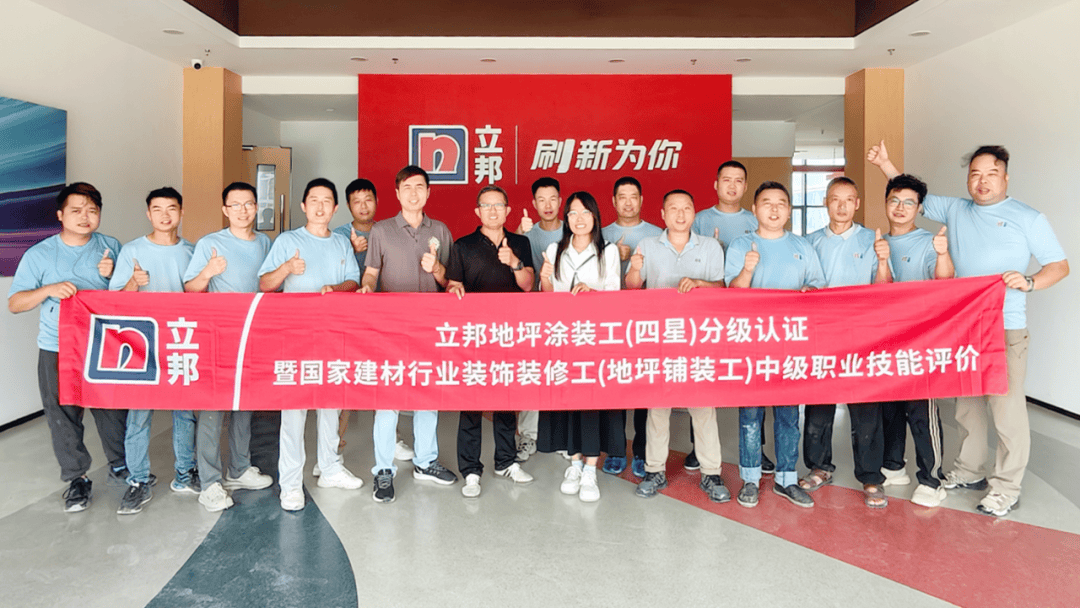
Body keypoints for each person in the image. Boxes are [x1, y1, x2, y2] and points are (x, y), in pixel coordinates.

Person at [868, 141, 1069, 517]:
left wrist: (1029, 282)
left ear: (1005, 177)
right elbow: (910, 195)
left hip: (1005, 326)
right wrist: (885, 164)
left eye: (991, 174)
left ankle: (1006, 487)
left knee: (1006, 410)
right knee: (967, 406)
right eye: (975, 174)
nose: (982, 181)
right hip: (963, 327)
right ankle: (969, 471)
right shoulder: (956, 209)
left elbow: (1059, 266)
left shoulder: (1028, 217)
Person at [7, 182, 128, 513]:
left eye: (92, 210)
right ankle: (77, 478)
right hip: (57, 347)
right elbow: (15, 303)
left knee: (113, 409)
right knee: (63, 414)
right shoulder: (40, 254)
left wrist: (114, 276)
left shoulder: (111, 247)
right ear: (60, 215)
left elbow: (127, 297)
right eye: (76, 210)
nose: (85, 216)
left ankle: (121, 465)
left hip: (103, 345)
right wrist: (47, 289)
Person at [259, 178, 364, 511]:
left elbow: (354, 281)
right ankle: (290, 484)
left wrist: (335, 288)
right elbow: (264, 284)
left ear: (335, 208)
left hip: (332, 334)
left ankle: (330, 467)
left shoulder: (341, 243)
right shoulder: (288, 241)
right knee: (294, 411)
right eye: (314, 200)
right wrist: (287, 268)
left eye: (327, 201)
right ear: (304, 206)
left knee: (330, 402)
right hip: (296, 337)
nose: (320, 207)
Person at [361, 165, 458, 503]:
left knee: (427, 396)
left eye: (420, 187)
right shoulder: (381, 231)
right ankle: (383, 469)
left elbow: (450, 281)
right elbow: (371, 272)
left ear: (428, 192)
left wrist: (438, 269)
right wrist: (367, 287)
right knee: (387, 401)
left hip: (429, 327)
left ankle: (425, 462)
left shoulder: (441, 230)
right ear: (397, 193)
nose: (414, 193)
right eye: (407, 187)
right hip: (390, 327)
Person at [624, 190, 729, 502]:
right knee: (657, 408)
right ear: (662, 214)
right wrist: (634, 268)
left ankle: (711, 473)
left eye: (686, 208)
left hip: (698, 339)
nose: (680, 215)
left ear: (694, 213)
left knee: (704, 408)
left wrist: (699, 284)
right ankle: (654, 470)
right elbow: (632, 286)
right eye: (674, 209)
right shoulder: (647, 245)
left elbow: (722, 286)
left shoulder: (710, 246)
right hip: (660, 338)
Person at [725, 181, 825, 508]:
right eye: (767, 202)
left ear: (789, 210)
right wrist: (747, 270)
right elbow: (732, 292)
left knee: (788, 416)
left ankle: (786, 479)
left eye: (781, 203)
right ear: (754, 209)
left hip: (790, 345)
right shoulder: (741, 245)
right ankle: (750, 479)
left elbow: (817, 286)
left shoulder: (801, 246)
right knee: (750, 415)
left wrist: (810, 291)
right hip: (752, 343)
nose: (774, 208)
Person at [800, 176, 893, 508]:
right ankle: (819, 467)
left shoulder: (873, 240)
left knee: (866, 409)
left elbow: (884, 289)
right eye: (834, 199)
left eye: (848, 199)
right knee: (818, 407)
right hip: (821, 336)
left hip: (861, 336)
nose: (841, 206)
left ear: (857, 203)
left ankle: (871, 476)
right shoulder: (808, 242)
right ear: (826, 202)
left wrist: (883, 260)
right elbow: (801, 286)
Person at [183, 182, 274, 512]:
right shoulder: (211, 243)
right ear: (225, 210)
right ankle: (209, 481)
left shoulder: (264, 242)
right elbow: (190, 288)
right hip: (219, 336)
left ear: (256, 207)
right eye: (235, 205)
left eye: (248, 204)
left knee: (244, 404)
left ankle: (239, 468)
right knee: (214, 407)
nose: (242, 210)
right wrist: (208, 272)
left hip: (252, 335)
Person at [110, 187, 196, 515]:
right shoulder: (132, 250)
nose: (164, 215)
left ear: (181, 212)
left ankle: (185, 474)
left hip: (179, 341)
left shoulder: (191, 251)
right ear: (148, 214)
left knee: (184, 412)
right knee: (139, 415)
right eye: (157, 209)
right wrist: (134, 282)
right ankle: (139, 480)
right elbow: (114, 302)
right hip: (142, 346)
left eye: (171, 208)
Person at [445, 185, 536, 497]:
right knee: (471, 404)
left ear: (508, 210)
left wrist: (515, 263)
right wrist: (454, 289)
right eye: (487, 205)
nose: (493, 211)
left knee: (506, 402)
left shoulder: (521, 243)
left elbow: (528, 285)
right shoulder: (463, 245)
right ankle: (471, 470)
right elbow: (453, 284)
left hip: (509, 334)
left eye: (499, 205)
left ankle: (506, 462)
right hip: (474, 336)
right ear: (478, 212)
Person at [536, 191, 621, 502]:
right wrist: (546, 278)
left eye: (585, 212)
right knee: (569, 403)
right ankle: (573, 464)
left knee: (592, 403)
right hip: (564, 339)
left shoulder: (608, 251)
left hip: (595, 339)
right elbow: (548, 295)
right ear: (566, 218)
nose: (579, 218)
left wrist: (592, 292)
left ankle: (590, 469)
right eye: (573, 213)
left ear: (595, 217)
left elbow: (614, 292)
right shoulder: (555, 249)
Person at [877, 173, 954, 508]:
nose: (900, 207)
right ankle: (894, 466)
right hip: (885, 340)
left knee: (921, 411)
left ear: (919, 208)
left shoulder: (928, 242)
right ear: (886, 203)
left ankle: (932, 479)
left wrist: (942, 254)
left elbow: (944, 280)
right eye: (894, 200)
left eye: (909, 202)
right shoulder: (877, 242)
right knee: (890, 408)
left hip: (921, 340)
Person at [690, 160, 769, 474]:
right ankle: (698, 448)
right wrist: (715, 250)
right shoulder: (699, 219)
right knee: (703, 377)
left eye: (738, 180)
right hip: (707, 312)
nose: (732, 186)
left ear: (745, 186)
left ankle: (757, 448)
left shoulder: (755, 219)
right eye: (726, 180)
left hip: (746, 312)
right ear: (716, 184)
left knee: (752, 380)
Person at [330, 178, 415, 464]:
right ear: (348, 206)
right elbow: (333, 275)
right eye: (357, 201)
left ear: (377, 201)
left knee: (387, 377)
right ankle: (332, 449)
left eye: (368, 199)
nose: (363, 206)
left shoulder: (388, 231)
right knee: (347, 381)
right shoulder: (338, 235)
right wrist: (351, 251)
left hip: (385, 318)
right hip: (349, 319)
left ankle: (393, 439)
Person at [516, 177, 563, 462]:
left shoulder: (573, 230)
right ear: (534, 203)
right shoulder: (526, 234)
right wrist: (517, 235)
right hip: (533, 315)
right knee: (532, 374)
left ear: (560, 201)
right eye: (541, 200)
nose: (548, 205)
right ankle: (527, 436)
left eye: (552, 199)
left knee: (563, 374)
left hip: (566, 314)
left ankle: (563, 436)